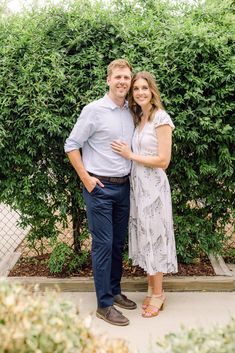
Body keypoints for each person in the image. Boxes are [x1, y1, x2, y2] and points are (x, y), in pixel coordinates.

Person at [64, 59, 137, 326]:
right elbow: (71, 144)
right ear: (108, 79)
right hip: (100, 189)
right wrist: (86, 178)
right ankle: (103, 304)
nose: (122, 82)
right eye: (118, 77)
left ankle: (115, 291)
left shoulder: (132, 111)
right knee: (104, 245)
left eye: (126, 78)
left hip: (124, 186)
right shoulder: (93, 110)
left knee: (117, 243)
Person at [111, 71, 178, 318]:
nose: (139, 92)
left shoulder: (161, 118)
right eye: (136, 89)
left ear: (152, 91)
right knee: (146, 237)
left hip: (154, 189)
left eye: (144, 88)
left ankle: (159, 294)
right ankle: (152, 288)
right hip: (138, 188)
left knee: (155, 239)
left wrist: (130, 156)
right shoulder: (140, 118)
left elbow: (163, 160)